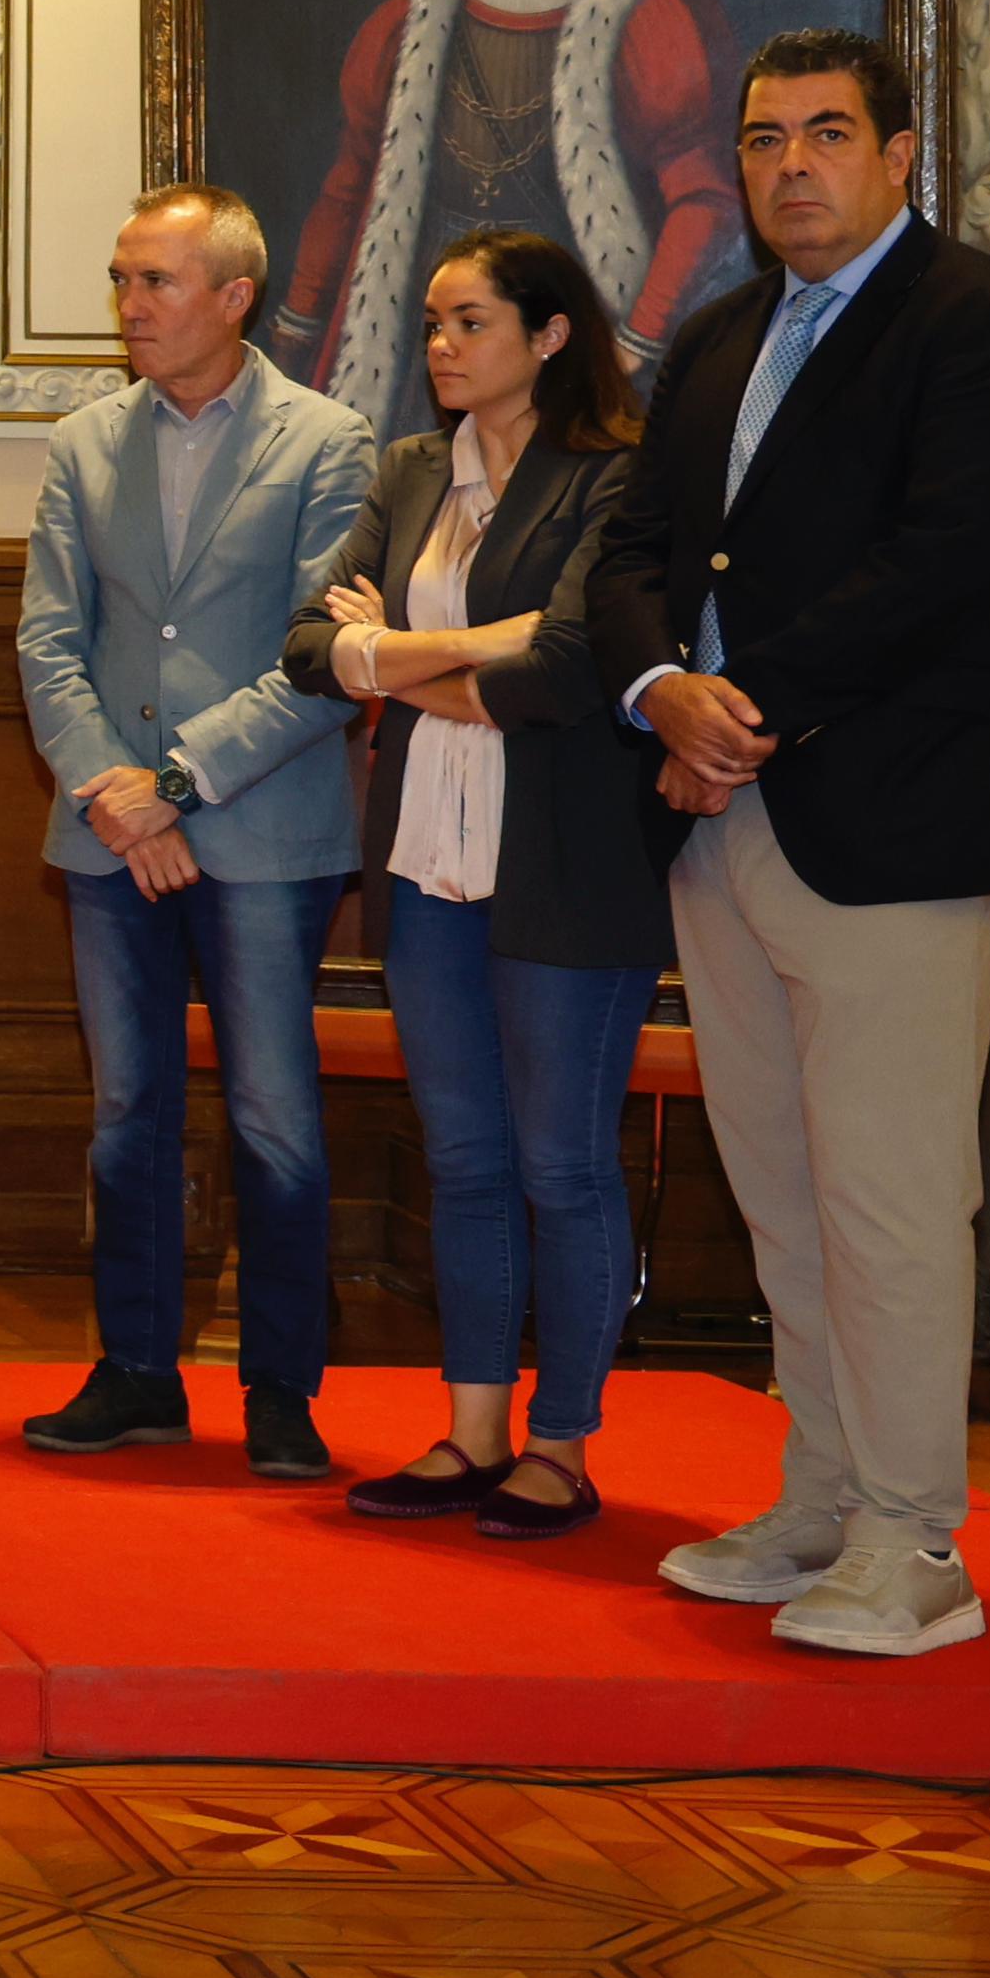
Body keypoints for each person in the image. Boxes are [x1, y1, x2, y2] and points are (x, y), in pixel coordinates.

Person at [592, 29, 990, 1658]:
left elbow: (952, 555)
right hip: (719, 812)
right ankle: (820, 1499)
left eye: (827, 132)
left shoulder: (977, 317)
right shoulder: (721, 333)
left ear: (898, 153)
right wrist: (661, 690)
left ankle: (914, 1539)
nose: (790, 164)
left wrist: (744, 705)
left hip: (899, 820)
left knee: (889, 1196)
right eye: (762, 137)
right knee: (784, 1193)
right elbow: (637, 548)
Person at [285, 226, 664, 1540]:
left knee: (562, 1163)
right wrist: (449, 655)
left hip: (565, 864)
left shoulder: (613, 476)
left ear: (549, 335)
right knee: (462, 1158)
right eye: (433, 325)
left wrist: (386, 656)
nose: (441, 345)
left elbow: (563, 668)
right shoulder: (409, 472)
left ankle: (561, 1444)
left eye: (469, 323)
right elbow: (305, 645)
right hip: (425, 860)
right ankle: (473, 1430)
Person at [18, 185, 377, 1477]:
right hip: (109, 838)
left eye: (154, 281)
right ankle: (136, 1370)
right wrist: (114, 792)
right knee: (126, 1114)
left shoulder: (328, 442)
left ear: (234, 297)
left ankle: (279, 1388)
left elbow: (321, 654)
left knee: (273, 1117)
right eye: (121, 279)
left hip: (261, 833)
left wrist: (172, 780)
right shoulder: (82, 442)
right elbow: (46, 641)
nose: (129, 305)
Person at [270, 0, 739, 436]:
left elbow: (704, 199)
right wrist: (298, 318)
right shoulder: (415, 19)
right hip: (430, 318)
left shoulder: (638, 14)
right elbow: (349, 185)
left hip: (563, 312)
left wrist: (638, 335)